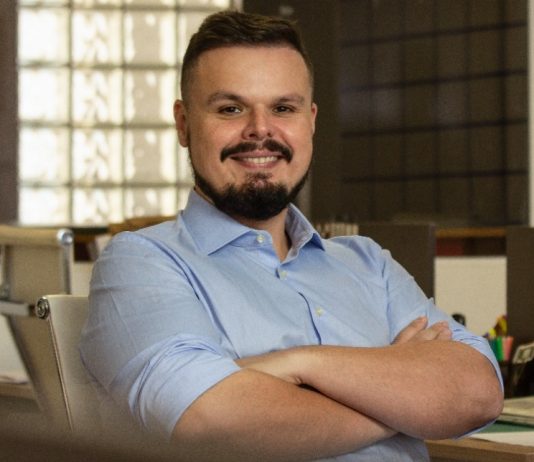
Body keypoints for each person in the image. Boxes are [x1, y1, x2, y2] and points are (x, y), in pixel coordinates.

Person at [80, 10, 503, 462]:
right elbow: (208, 423)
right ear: (184, 124)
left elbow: (478, 393)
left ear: (311, 121)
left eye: (283, 108)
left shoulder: (369, 263)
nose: (260, 129)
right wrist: (410, 404)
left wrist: (301, 363)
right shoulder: (142, 263)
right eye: (230, 109)